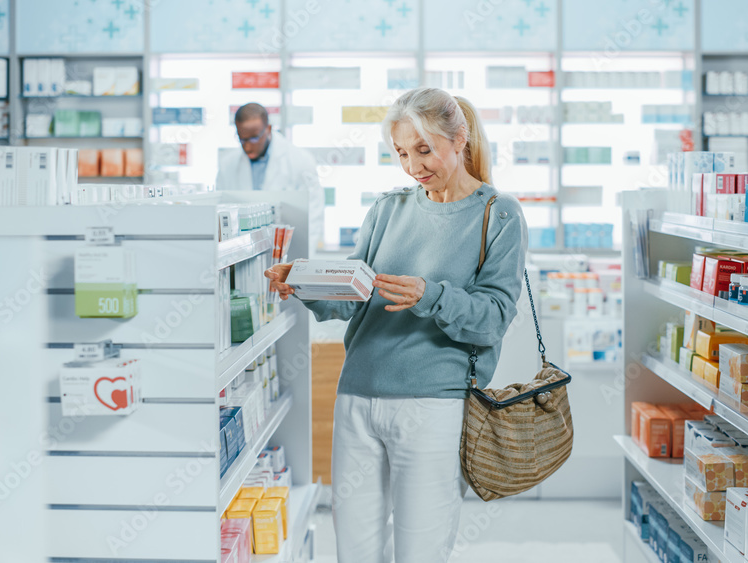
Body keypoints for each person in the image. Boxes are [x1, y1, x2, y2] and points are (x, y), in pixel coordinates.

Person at [264, 88, 528, 563]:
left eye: (424, 150)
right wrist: (302, 282)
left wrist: (430, 295)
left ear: (459, 138)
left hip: (434, 408)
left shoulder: (498, 214)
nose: (412, 166)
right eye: (402, 153)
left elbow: (493, 318)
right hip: (358, 398)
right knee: (355, 550)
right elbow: (351, 298)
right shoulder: (388, 210)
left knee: (419, 551)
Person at [216, 102, 324, 253]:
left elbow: (313, 217)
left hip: (288, 253)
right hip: (240, 254)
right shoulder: (228, 165)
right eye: (242, 139)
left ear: (268, 129)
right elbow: (221, 213)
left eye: (253, 138)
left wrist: (300, 262)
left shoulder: (300, 161)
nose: (247, 146)